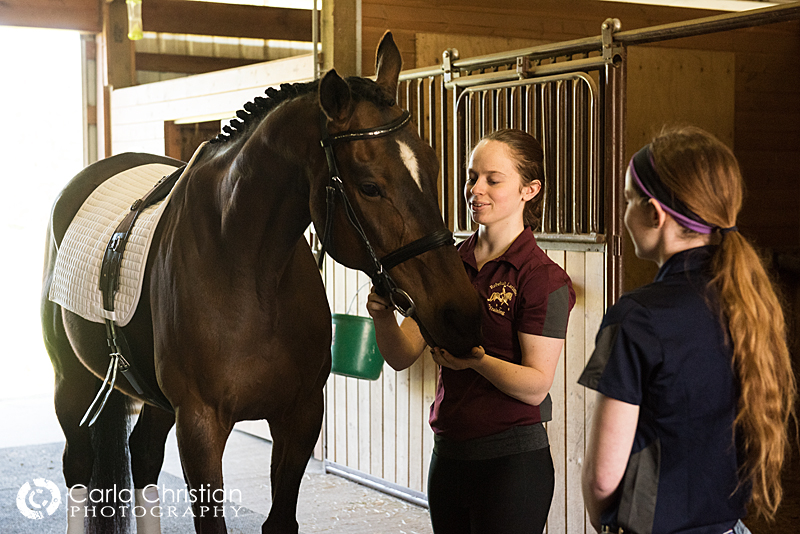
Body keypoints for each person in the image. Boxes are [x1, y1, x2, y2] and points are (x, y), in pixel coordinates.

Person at [579, 126, 797, 534]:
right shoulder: (755, 305)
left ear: (656, 214)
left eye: (629, 200)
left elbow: (602, 478)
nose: (625, 213)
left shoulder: (636, 317)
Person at [368, 129, 575, 534]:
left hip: (512, 463)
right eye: (471, 177)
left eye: (492, 180)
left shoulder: (543, 279)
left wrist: (476, 361)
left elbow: (535, 386)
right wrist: (381, 317)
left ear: (529, 190)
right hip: (449, 455)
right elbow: (401, 354)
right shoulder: (448, 267)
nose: (475, 189)